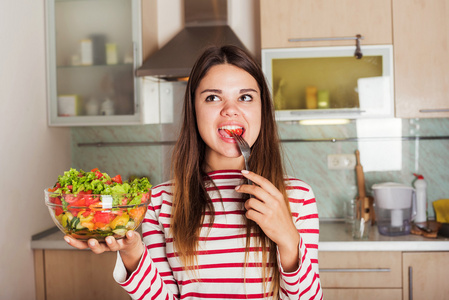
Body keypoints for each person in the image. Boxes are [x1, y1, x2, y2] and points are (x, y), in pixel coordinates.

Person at [65, 45, 322, 299]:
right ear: (193, 109)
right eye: (213, 97)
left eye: (245, 97)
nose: (230, 109)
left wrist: (289, 241)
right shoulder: (159, 202)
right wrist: (132, 252)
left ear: (262, 109)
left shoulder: (296, 198)